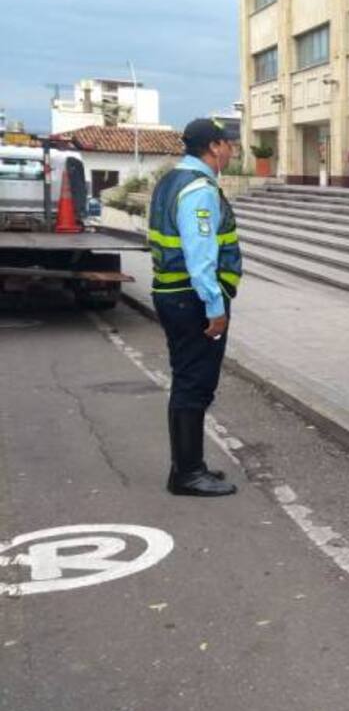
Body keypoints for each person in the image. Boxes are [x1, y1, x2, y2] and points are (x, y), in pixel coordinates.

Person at [147, 118, 241, 497]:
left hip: (174, 295)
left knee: (187, 379)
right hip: (192, 299)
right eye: (229, 144)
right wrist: (215, 305)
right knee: (194, 384)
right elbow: (200, 255)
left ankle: (190, 466)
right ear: (215, 146)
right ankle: (186, 474)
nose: (232, 151)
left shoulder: (171, 180)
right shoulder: (198, 189)